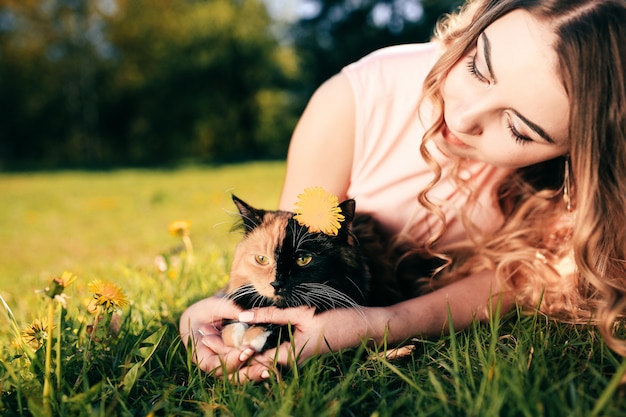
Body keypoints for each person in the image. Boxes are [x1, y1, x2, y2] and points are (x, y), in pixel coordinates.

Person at [180, 0, 626, 382]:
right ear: (479, 24)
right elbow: (286, 257)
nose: (466, 115)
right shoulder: (355, 103)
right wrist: (222, 312)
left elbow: (527, 279)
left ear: (579, 153)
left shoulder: (577, 189)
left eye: (518, 128)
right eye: (477, 66)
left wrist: (386, 324)